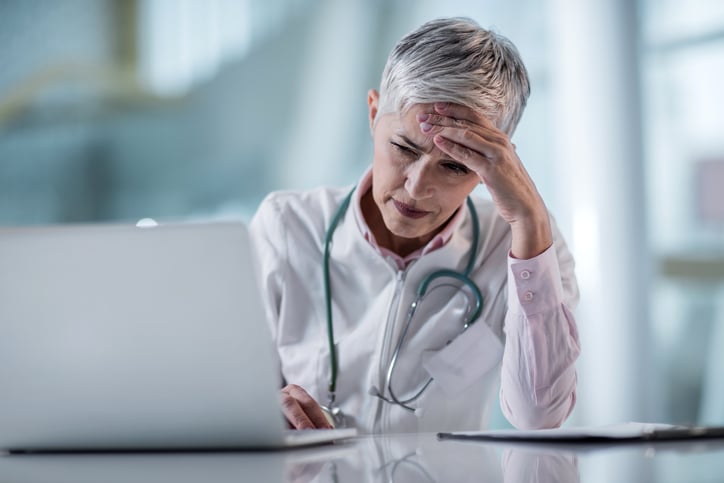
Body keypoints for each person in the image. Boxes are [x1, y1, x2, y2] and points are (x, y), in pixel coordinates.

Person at [250, 17, 580, 433]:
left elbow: (540, 414)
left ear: (496, 166)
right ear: (373, 115)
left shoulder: (521, 245)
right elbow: (227, 394)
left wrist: (529, 220)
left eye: (455, 165)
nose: (417, 186)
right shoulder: (286, 227)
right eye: (404, 148)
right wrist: (260, 409)